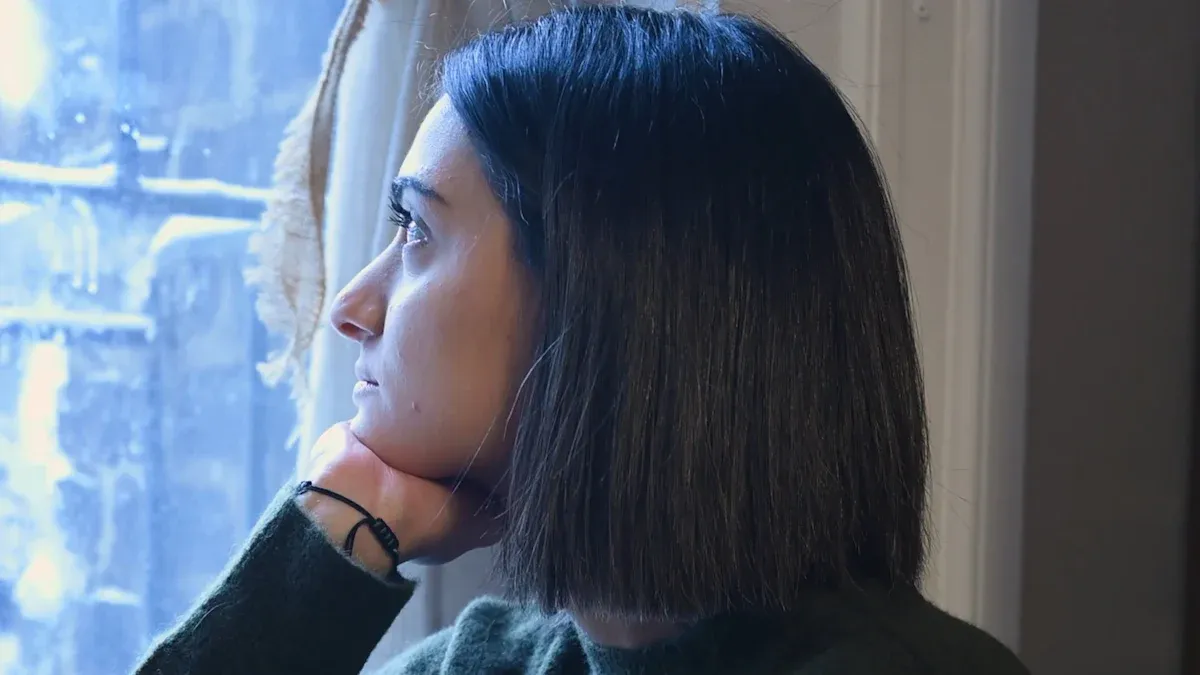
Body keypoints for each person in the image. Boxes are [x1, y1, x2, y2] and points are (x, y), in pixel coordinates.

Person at [134, 6, 1029, 674]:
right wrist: (340, 529)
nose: (354, 305)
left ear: (602, 295)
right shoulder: (480, 665)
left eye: (415, 232)